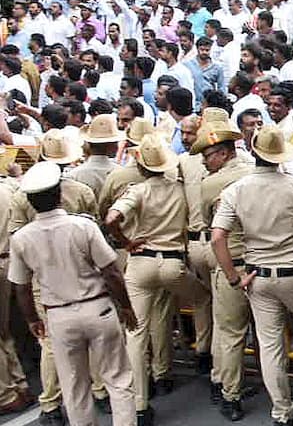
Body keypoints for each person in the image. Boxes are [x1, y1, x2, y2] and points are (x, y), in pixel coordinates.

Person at [211, 125, 293, 426]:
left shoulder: (237, 189)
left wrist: (234, 277)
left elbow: (217, 237)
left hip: (258, 276)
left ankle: (281, 410)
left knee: (270, 345)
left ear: (253, 151)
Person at [8, 162, 139, 426]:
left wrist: (33, 319)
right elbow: (110, 271)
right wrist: (125, 306)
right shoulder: (83, 226)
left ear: (31, 202)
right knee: (118, 380)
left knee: (74, 386)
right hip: (98, 307)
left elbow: (21, 286)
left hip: (58, 315)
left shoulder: (21, 238)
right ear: (59, 194)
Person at [103, 131, 206, 425]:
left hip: (140, 264)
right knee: (203, 299)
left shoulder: (138, 190)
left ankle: (139, 404)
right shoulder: (180, 189)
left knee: (136, 333)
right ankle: (203, 351)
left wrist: (125, 242)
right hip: (173, 263)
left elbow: (111, 218)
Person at [192, 114, 253, 420]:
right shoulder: (257, 170)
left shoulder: (212, 183)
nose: (205, 162)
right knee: (269, 337)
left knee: (230, 333)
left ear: (224, 152)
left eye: (208, 155)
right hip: (263, 262)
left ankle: (230, 394)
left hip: (232, 262)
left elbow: (208, 222)